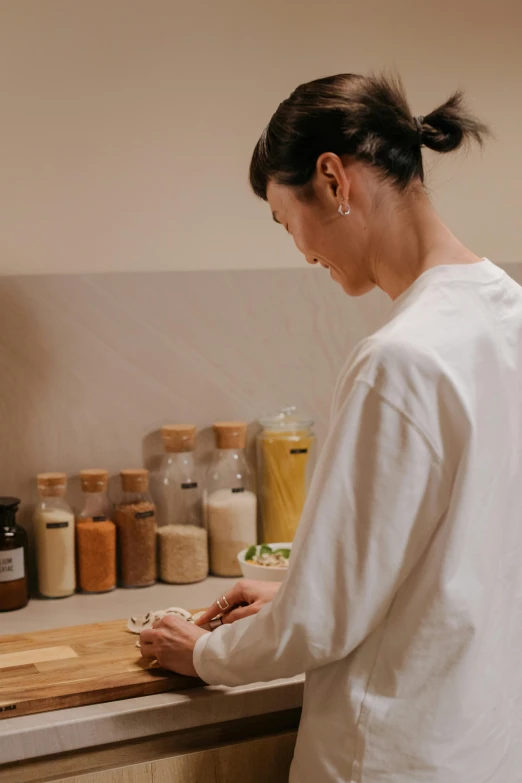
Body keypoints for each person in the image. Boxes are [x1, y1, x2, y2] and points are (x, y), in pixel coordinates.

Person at [139, 73, 522, 782]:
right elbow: (467, 555)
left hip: (388, 756)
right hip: (488, 747)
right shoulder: (510, 317)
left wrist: (202, 652)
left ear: (332, 180)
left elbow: (322, 623)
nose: (303, 252)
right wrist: (303, 586)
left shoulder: (398, 360)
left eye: (289, 222)